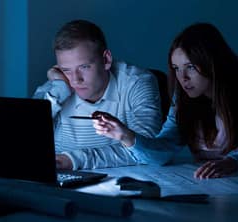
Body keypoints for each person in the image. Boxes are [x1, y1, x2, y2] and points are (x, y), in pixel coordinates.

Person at [92, 23, 238, 179]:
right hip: (213, 181)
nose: (182, 77)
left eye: (191, 67)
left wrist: (231, 163)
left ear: (211, 64)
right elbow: (163, 151)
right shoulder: (184, 96)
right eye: (176, 68)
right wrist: (125, 136)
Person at [33, 19, 162, 170]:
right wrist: (60, 88)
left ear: (106, 60)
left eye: (84, 67)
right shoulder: (58, 86)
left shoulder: (137, 82)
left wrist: (73, 160)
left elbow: (145, 148)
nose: (75, 80)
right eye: (66, 70)